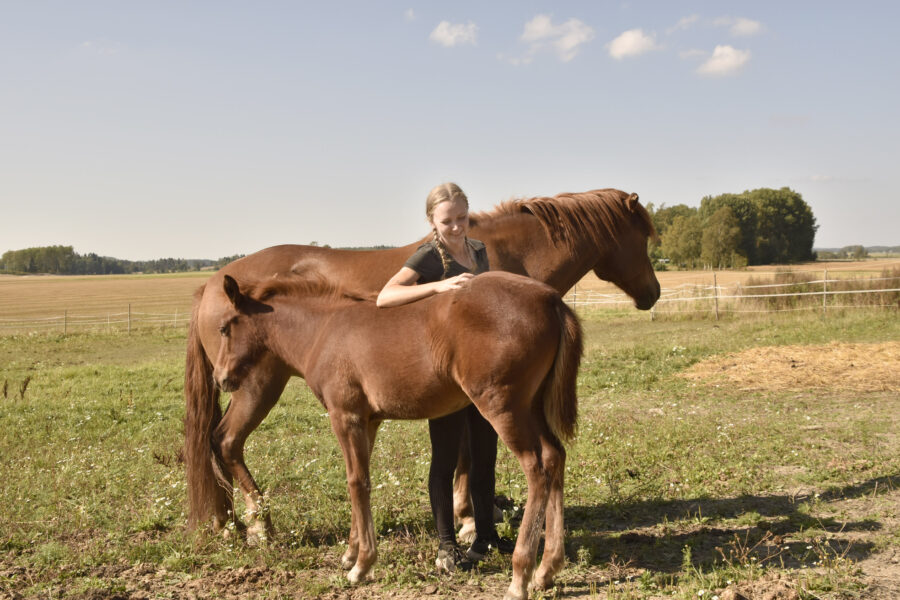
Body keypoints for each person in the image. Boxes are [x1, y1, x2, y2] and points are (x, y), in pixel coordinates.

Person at [377, 183, 514, 573]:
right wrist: (440, 286)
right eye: (446, 221)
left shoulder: (478, 250)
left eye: (461, 218)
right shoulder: (428, 255)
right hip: (444, 374)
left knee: (484, 455)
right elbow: (385, 296)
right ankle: (446, 546)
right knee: (445, 458)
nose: (456, 227)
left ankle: (486, 535)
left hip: (480, 371)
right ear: (432, 221)